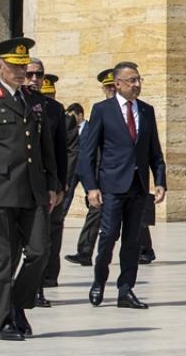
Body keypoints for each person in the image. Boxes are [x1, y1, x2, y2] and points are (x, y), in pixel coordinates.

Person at [0, 37, 58, 341]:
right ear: (0, 66)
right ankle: (1, 321)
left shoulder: (34, 100)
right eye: (15, 66)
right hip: (0, 191)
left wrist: (54, 184)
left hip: (33, 191)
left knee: (39, 252)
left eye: (23, 66)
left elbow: (46, 148)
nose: (21, 72)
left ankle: (17, 304)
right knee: (4, 259)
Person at [80, 61, 167, 309]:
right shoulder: (102, 110)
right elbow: (87, 153)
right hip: (111, 186)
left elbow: (154, 151)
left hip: (138, 187)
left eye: (139, 80)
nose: (137, 85)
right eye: (131, 81)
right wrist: (92, 187)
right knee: (107, 237)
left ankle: (126, 290)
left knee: (132, 241)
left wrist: (159, 180)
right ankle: (99, 282)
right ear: (117, 84)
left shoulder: (147, 111)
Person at [22, 59, 67, 308]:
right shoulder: (13, 104)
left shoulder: (54, 109)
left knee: (42, 241)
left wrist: (61, 185)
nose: (34, 79)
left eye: (39, 75)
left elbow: (60, 151)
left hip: (45, 184)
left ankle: (37, 289)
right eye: (30, 74)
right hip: (17, 183)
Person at [66, 70, 115, 267]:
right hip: (96, 174)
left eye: (113, 85)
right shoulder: (100, 111)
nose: (111, 89)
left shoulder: (135, 110)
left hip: (115, 174)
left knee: (131, 215)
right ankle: (85, 252)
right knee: (96, 212)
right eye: (108, 86)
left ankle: (145, 249)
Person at [46, 98, 82, 288]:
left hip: (55, 183)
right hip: (28, 183)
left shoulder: (59, 113)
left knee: (53, 229)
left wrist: (62, 182)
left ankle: (49, 277)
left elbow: (70, 151)